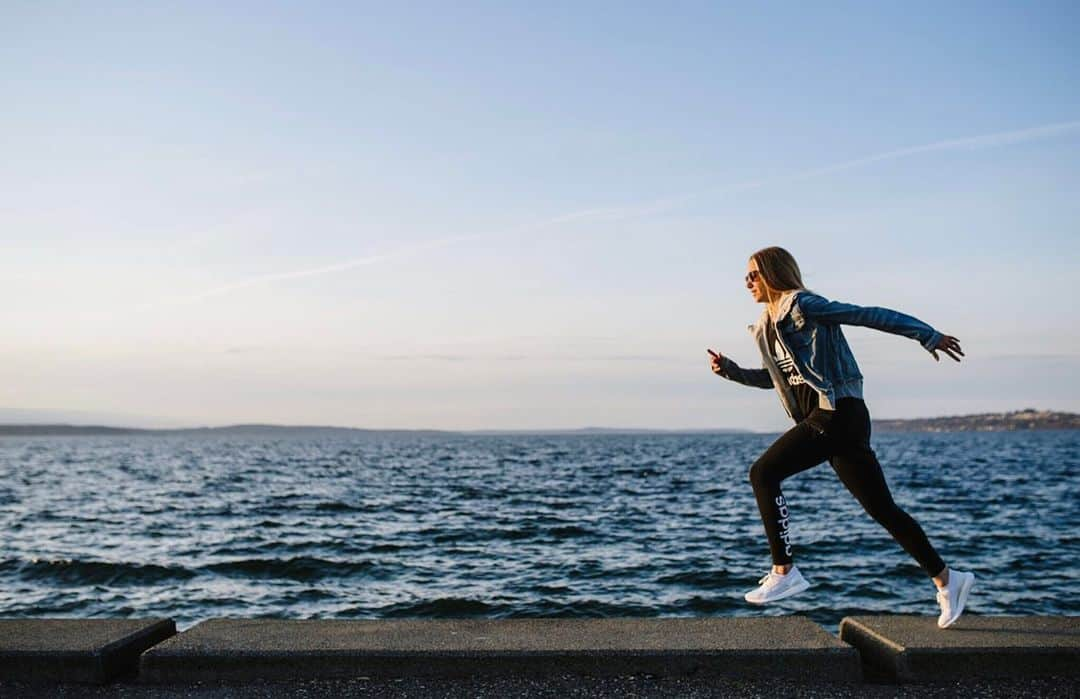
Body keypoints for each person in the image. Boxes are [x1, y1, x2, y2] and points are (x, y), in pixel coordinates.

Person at [707, 246, 974, 629]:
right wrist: (731, 372)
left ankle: (784, 571)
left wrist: (926, 335)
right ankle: (948, 580)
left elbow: (868, 315)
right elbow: (778, 379)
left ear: (773, 273)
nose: (748, 282)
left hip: (837, 413)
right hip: (834, 422)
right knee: (883, 510)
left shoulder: (804, 306)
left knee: (763, 473)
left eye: (754, 274)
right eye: (745, 277)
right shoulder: (768, 325)